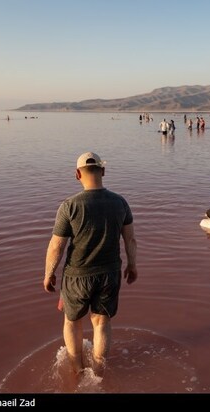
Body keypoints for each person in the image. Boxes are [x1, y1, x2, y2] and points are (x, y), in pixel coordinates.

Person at [42, 152, 138, 376]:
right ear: (103, 171)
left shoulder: (70, 206)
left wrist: (49, 273)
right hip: (110, 272)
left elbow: (57, 246)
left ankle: (77, 370)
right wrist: (132, 266)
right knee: (101, 322)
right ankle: (98, 373)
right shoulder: (120, 202)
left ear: (77, 174)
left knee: (72, 322)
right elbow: (130, 239)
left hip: (77, 275)